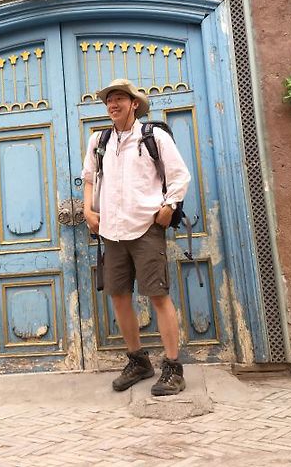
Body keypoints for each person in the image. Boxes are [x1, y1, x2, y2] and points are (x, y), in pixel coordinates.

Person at [81, 78, 191, 396]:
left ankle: (173, 367)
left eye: (119, 98)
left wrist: (169, 206)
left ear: (134, 104)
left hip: (145, 228)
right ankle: (139, 361)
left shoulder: (153, 136)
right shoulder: (99, 140)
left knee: (157, 295)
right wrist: (87, 210)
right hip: (111, 231)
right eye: (108, 100)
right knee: (118, 295)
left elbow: (180, 175)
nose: (112, 104)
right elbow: (89, 178)